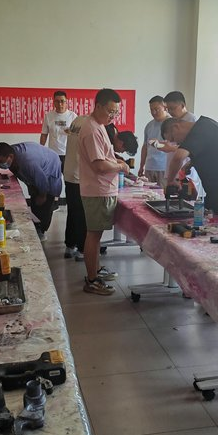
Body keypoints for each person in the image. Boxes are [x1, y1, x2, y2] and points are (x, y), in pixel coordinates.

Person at [78, 88, 130, 295]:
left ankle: (96, 270)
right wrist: (121, 167)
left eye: (115, 112)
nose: (112, 116)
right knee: (93, 235)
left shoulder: (98, 125)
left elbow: (104, 157)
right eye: (110, 111)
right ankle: (92, 280)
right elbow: (99, 165)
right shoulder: (91, 129)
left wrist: (115, 160)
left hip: (101, 188)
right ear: (98, 106)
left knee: (96, 235)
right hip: (97, 189)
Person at [160, 116, 218, 228]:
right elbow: (212, 152)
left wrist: (171, 181)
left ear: (176, 127)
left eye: (173, 138)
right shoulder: (203, 127)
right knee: (212, 230)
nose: (177, 142)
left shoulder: (201, 128)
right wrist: (191, 163)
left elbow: (178, 157)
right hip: (217, 192)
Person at [0, 142, 62, 239]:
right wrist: (32, 188)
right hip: (37, 165)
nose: (0, 165)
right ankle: (36, 225)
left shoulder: (28, 162)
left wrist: (42, 195)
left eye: (1, 162)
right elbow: (21, 173)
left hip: (50, 165)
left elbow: (42, 180)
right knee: (34, 200)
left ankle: (41, 230)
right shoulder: (10, 153)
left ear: (10, 156)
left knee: (45, 203)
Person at [62, 115, 89, 260]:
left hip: (70, 172)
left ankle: (70, 245)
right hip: (81, 175)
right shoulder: (91, 124)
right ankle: (82, 249)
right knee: (82, 214)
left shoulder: (77, 120)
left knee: (72, 211)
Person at [40, 91, 78, 169]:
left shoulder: (73, 116)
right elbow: (44, 134)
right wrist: (40, 150)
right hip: (52, 153)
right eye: (57, 101)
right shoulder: (48, 116)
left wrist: (71, 132)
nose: (60, 104)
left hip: (68, 153)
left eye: (62, 101)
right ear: (54, 102)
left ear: (66, 102)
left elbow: (79, 134)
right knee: (53, 175)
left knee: (68, 176)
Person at [138, 96, 170, 186]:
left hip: (164, 168)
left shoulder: (171, 123)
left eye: (156, 109)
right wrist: (141, 166)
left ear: (164, 107)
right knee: (148, 192)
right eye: (151, 110)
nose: (154, 112)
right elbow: (145, 147)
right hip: (150, 167)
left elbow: (173, 146)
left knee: (163, 193)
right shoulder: (149, 125)